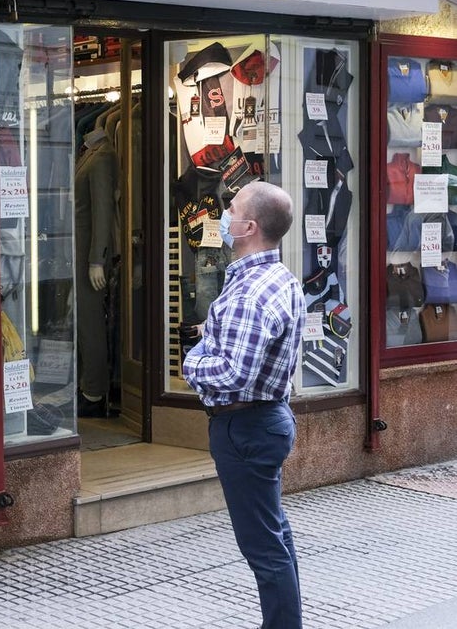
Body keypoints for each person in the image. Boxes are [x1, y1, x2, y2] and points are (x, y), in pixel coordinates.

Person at [182, 180, 304, 629]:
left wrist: (192, 363)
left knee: (263, 546)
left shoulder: (251, 294)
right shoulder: (281, 280)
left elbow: (234, 375)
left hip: (245, 427)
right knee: (275, 536)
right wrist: (208, 343)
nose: (223, 217)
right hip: (265, 420)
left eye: (230, 210)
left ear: (249, 226)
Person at [73, 126, 117, 417]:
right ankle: (88, 384)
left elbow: (103, 211)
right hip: (80, 251)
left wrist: (97, 259)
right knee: (83, 320)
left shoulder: (102, 157)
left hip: (90, 254)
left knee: (90, 322)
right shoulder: (91, 152)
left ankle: (94, 391)